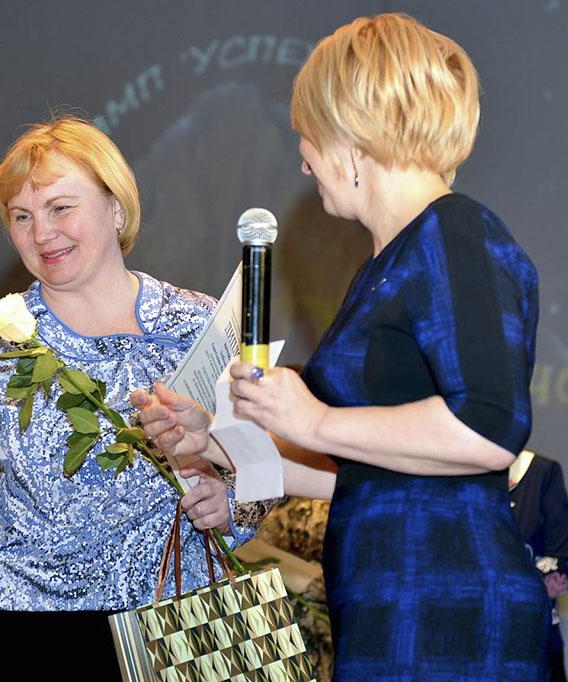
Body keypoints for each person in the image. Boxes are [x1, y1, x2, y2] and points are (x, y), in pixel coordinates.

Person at [133, 13, 549, 680]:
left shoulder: (455, 234)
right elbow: (365, 472)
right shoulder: (388, 263)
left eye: (309, 134)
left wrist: (316, 419)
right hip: (393, 611)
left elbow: (487, 427)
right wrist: (216, 441)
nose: (303, 160)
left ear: (352, 135)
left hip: (447, 616)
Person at [0, 116, 274, 677]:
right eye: (21, 216)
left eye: (60, 208)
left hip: (176, 631)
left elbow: (264, 467)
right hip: (11, 637)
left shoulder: (199, 324)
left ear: (116, 208)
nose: (42, 233)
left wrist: (231, 502)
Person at [510, 450, 568, 681]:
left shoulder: (542, 472)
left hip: (533, 631)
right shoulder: (459, 472)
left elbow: (559, 555)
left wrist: (544, 578)